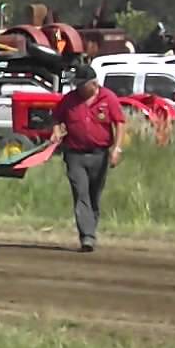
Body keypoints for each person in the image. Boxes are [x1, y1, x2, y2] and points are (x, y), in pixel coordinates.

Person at [49, 64, 126, 252]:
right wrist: (56, 131)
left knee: (94, 197)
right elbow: (56, 118)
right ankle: (87, 237)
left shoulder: (109, 98)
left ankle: (90, 230)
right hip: (74, 155)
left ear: (93, 84)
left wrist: (117, 149)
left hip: (99, 155)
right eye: (77, 84)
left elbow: (120, 123)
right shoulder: (69, 100)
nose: (78, 88)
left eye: (81, 85)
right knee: (81, 194)